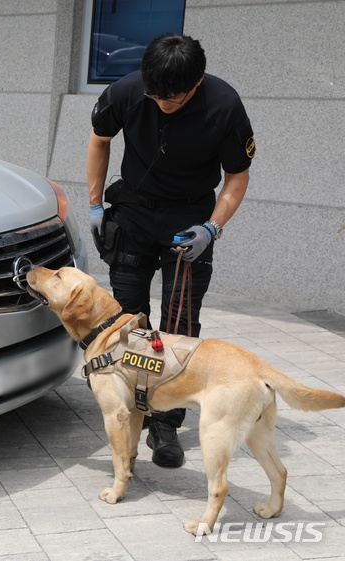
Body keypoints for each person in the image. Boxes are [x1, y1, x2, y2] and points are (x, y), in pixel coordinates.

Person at [86, 33, 255, 468]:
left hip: (189, 222)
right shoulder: (128, 89)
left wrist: (212, 229)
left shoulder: (224, 106)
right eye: (155, 95)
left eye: (173, 98)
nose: (162, 103)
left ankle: (166, 423)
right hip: (134, 215)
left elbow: (236, 178)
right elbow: (99, 139)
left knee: (178, 329)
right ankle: (130, 415)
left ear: (196, 83)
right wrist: (94, 204)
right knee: (128, 322)